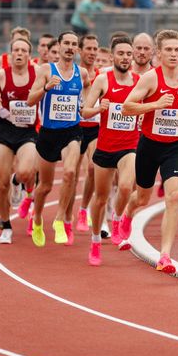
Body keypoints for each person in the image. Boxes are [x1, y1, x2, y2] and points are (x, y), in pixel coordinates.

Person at [119, 29, 178, 274]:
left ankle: (165, 255)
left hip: (175, 147)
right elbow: (126, 107)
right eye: (169, 50)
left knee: (173, 197)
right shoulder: (150, 79)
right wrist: (154, 104)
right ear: (159, 53)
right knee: (142, 198)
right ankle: (126, 216)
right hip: (149, 145)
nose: (174, 54)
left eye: (177, 50)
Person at [26, 31, 90, 247]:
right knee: (44, 186)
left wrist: (84, 105)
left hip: (72, 131)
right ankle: (37, 219)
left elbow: (87, 90)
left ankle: (60, 219)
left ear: (77, 49)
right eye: (67, 44)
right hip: (48, 134)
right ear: (59, 46)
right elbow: (29, 100)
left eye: (74, 44)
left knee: (71, 173)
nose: (70, 47)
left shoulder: (81, 73)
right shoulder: (46, 70)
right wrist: (46, 88)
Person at [81, 36, 140, 266]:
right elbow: (84, 112)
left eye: (128, 54)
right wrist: (98, 108)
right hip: (105, 146)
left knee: (126, 186)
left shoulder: (139, 81)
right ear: (113, 56)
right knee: (100, 198)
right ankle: (95, 240)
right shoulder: (102, 80)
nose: (125, 58)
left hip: (130, 145)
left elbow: (146, 106)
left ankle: (116, 219)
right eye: (121, 54)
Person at [0, 38, 39, 244]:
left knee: (25, 172)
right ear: (11, 53)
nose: (19, 53)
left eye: (23, 50)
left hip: (28, 131)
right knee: (1, 183)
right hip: (4, 132)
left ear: (29, 55)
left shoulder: (37, 73)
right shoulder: (2, 75)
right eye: (16, 50)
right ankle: (5, 224)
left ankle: (18, 183)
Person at [73, 34, 100, 233]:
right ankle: (65, 216)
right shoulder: (72, 74)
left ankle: (83, 211)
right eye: (88, 48)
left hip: (95, 129)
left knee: (92, 168)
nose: (92, 52)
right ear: (80, 51)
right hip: (75, 128)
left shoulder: (101, 76)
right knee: (71, 174)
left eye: (95, 49)